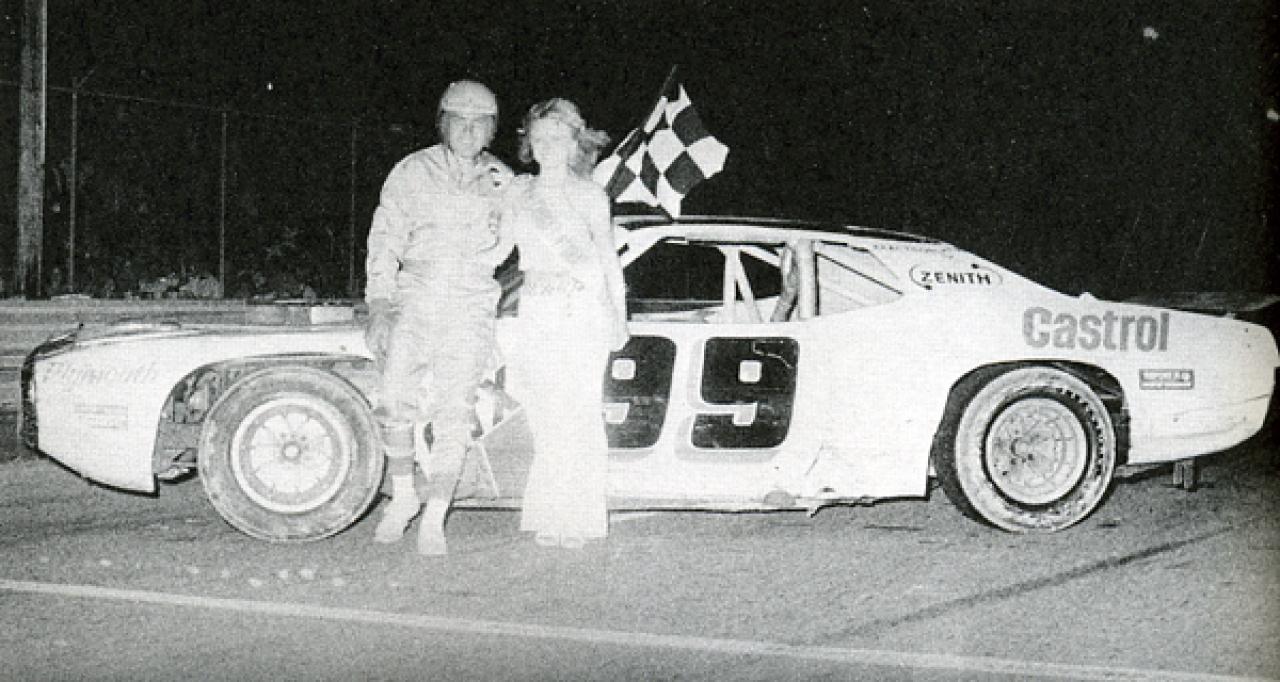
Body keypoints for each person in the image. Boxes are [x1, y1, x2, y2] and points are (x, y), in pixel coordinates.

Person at [364, 79, 514, 556]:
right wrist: (379, 304)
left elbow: (521, 238)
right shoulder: (412, 170)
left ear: (492, 129)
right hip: (415, 295)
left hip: (470, 301)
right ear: (443, 123)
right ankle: (404, 495)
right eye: (459, 120)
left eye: (480, 122)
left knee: (455, 409)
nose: (469, 130)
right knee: (393, 399)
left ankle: (435, 515)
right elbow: (385, 237)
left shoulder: (503, 180)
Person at [502, 98, 628, 549]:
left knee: (579, 413)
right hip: (536, 309)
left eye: (558, 137)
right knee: (544, 415)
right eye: (539, 137)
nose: (548, 145)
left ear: (576, 141)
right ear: (529, 144)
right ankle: (550, 513)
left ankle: (579, 517)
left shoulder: (591, 195)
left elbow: (608, 259)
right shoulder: (518, 193)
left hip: (581, 310)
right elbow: (498, 249)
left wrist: (619, 316)